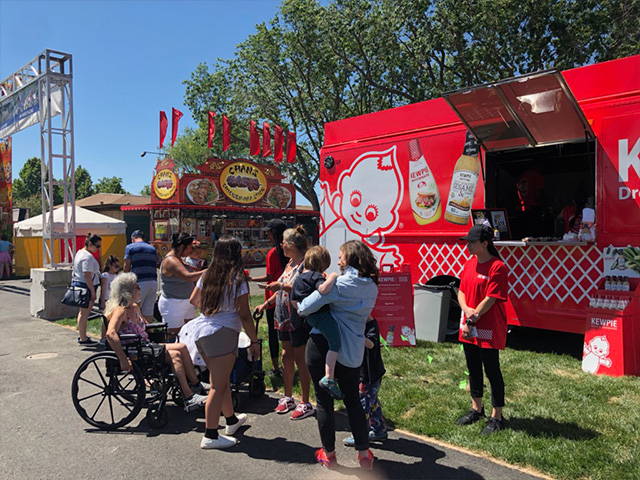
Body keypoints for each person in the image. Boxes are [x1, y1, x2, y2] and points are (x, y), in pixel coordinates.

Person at [298, 240, 379, 470]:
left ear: (350, 258)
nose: (339, 260)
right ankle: (364, 454)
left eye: (342, 256)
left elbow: (304, 307)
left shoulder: (339, 284)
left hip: (322, 345)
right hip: (353, 347)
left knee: (324, 402)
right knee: (353, 401)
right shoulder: (372, 286)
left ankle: (329, 454)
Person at [188, 236, 260, 449]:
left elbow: (194, 300)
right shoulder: (237, 277)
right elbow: (245, 314)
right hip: (224, 332)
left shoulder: (208, 274)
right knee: (217, 386)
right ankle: (210, 434)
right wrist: (254, 340)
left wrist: (213, 307)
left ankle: (231, 420)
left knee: (220, 381)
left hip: (202, 329)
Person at [105, 273, 208, 412]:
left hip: (145, 346)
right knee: (175, 355)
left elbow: (146, 326)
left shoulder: (134, 307)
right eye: (136, 287)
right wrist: (123, 359)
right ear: (128, 291)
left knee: (182, 347)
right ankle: (189, 395)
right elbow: (110, 334)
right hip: (134, 350)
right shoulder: (120, 310)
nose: (140, 289)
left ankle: (195, 385)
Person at [256, 226, 314, 420]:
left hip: (298, 317)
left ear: (289, 244)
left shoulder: (306, 263)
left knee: (300, 358)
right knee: (285, 356)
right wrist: (265, 304)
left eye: (283, 242)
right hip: (283, 316)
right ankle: (288, 396)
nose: (280, 245)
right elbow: (280, 288)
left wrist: (280, 285)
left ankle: (305, 401)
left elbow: (303, 288)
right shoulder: (290, 263)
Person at [456, 225, 509, 435]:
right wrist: (466, 310)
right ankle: (476, 408)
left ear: (484, 243)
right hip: (469, 323)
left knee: (492, 369)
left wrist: (473, 316)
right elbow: (460, 291)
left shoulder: (497, 267)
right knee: (473, 367)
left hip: (486, 325)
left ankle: (497, 416)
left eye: (471, 242)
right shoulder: (470, 263)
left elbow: (491, 298)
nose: (467, 245)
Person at [291, 246, 341, 398]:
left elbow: (293, 301)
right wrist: (332, 277)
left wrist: (303, 309)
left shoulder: (298, 278)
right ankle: (329, 376)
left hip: (309, 318)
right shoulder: (315, 276)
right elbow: (323, 290)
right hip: (322, 316)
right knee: (335, 342)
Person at [249, 219, 288, 376]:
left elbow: (269, 276)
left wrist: (251, 279)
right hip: (286, 296)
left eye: (269, 232)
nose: (268, 235)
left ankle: (275, 367)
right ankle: (289, 363)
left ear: (275, 234)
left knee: (273, 334)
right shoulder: (289, 251)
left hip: (272, 298)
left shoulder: (272, 253)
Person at [343, 316, 387, 446]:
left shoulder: (371, 324)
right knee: (372, 403)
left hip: (369, 374)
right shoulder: (351, 323)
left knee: (363, 406)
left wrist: (356, 335)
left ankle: (359, 435)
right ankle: (379, 429)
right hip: (359, 372)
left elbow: (371, 344)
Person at [158, 233, 204, 337]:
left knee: (189, 335)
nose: (191, 251)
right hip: (173, 305)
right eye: (190, 248)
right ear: (183, 246)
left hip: (186, 303)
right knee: (174, 336)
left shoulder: (179, 259)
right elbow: (188, 276)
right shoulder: (170, 260)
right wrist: (209, 271)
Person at [72, 233, 102, 345]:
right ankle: (83, 338)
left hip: (82, 285)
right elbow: (87, 275)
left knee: (82, 313)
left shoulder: (80, 253)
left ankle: (82, 336)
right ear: (90, 244)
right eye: (97, 246)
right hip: (87, 287)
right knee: (85, 314)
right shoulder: (87, 257)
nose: (98, 249)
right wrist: (93, 292)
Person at [124, 230, 159, 323]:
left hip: (139, 282)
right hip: (153, 282)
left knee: (134, 309)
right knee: (148, 311)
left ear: (133, 238)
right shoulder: (152, 248)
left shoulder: (130, 247)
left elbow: (127, 265)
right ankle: (147, 333)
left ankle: (136, 333)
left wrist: (125, 281)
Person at [98, 255, 121, 347]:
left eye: (118, 267)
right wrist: (102, 301)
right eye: (115, 266)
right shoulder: (105, 275)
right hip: (108, 300)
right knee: (105, 320)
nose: (117, 268)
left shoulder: (117, 276)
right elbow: (103, 289)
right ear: (110, 265)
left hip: (115, 300)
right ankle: (103, 338)